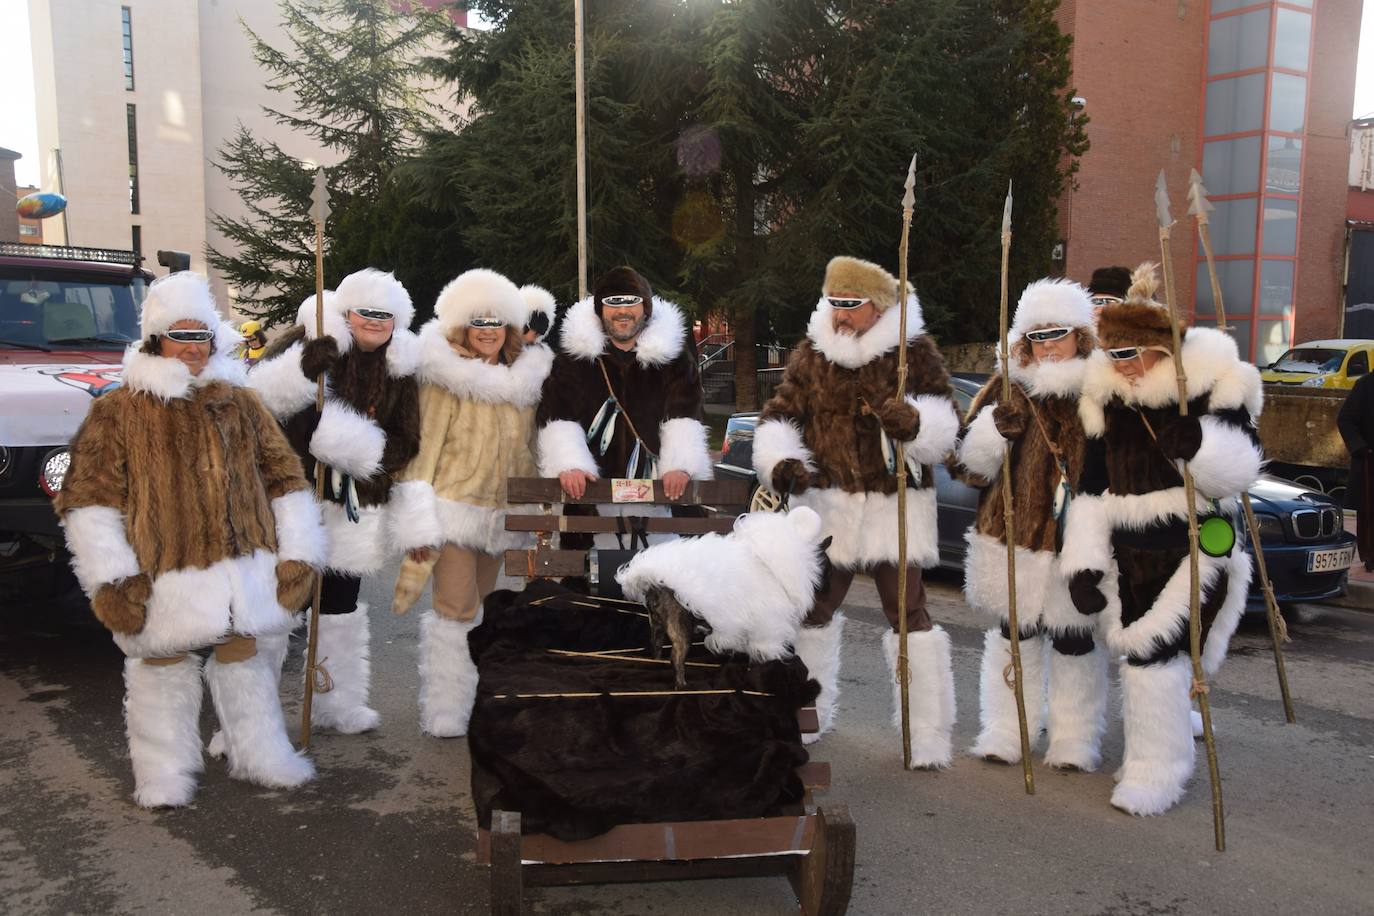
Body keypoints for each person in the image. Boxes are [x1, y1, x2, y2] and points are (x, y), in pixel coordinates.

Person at [55, 271, 324, 807]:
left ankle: (260, 754)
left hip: (240, 565)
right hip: (162, 570)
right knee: (161, 666)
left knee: (242, 656)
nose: (194, 349)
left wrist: (298, 552)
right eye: (181, 335)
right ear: (156, 341)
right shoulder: (118, 410)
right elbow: (88, 501)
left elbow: (284, 479)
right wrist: (112, 579)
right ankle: (163, 772)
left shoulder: (241, 403)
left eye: (202, 336)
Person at [1061, 263, 1262, 816]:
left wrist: (1198, 444)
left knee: (1153, 659)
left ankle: (1157, 770)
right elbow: (1091, 487)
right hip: (1129, 555)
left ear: (1160, 351)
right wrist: (1082, 563)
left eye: (1131, 356)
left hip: (1195, 546)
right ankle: (1153, 755)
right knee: (1143, 661)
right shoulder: (1104, 403)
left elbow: (1241, 470)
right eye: (1114, 356)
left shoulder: (1212, 388)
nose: (1122, 368)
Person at [752, 256, 961, 766]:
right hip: (830, 505)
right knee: (813, 611)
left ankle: (926, 735)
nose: (840, 315)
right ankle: (804, 718)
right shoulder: (811, 356)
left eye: (851, 305)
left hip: (896, 507)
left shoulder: (915, 355)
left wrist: (914, 423)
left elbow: (946, 424)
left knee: (909, 616)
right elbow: (779, 416)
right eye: (835, 304)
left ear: (879, 307)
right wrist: (782, 460)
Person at [248, 269, 422, 734]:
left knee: (340, 608)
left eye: (385, 315)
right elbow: (261, 402)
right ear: (347, 313)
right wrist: (305, 373)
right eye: (367, 313)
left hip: (354, 506)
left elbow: (407, 439)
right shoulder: (308, 343)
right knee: (276, 606)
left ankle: (336, 702)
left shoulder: (399, 369)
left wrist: (353, 445)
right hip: (294, 502)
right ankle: (249, 720)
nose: (376, 322)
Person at [388, 270, 555, 737]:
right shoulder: (445, 380)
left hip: (506, 516)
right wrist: (417, 522)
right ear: (462, 325)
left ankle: (477, 696)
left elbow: (539, 448)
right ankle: (446, 707)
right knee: (456, 609)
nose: (486, 330)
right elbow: (422, 454)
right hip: (454, 512)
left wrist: (542, 507)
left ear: (509, 327)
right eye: (477, 321)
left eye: (495, 321)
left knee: (483, 608)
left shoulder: (528, 381)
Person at [954, 278, 1107, 770]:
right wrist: (992, 434)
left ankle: (1074, 740)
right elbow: (964, 468)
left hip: (1076, 538)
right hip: (1013, 537)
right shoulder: (1008, 388)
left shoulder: (1101, 391)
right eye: (1037, 337)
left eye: (1057, 334)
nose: (1047, 347)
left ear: (1080, 335)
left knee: (1074, 640)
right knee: (1013, 636)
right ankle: (1007, 729)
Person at [535, 266, 712, 550]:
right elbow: (557, 414)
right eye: (612, 303)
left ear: (646, 307)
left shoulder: (674, 359)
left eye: (631, 302)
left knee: (670, 583)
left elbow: (686, 412)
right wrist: (570, 464)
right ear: (600, 310)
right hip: (591, 498)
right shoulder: (574, 360)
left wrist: (679, 465)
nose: (622, 312)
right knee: (583, 589)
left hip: (661, 499)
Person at [1336, 371, 1374, 570]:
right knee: (1369, 512)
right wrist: (1361, 448)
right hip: (1370, 461)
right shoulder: (1366, 384)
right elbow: (1346, 419)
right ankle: (1371, 556)